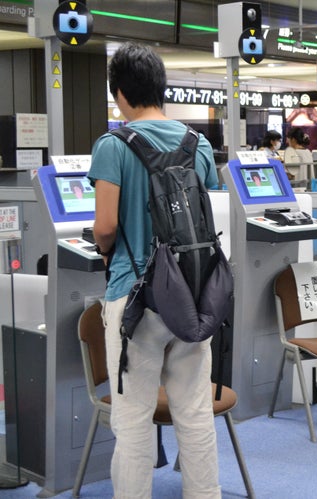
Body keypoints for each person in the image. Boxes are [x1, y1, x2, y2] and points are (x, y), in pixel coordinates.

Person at [88, 42, 221, 498]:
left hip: (135, 296)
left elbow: (105, 226)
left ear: (120, 93)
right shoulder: (197, 143)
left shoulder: (113, 144)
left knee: (133, 419)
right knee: (195, 411)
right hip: (192, 292)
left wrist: (105, 247)